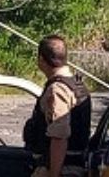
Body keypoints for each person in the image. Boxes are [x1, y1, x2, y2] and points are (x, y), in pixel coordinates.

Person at [23, 35, 91, 177]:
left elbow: (59, 137)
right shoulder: (77, 84)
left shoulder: (57, 90)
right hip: (74, 166)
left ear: (41, 59)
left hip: (59, 169)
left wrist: (54, 173)